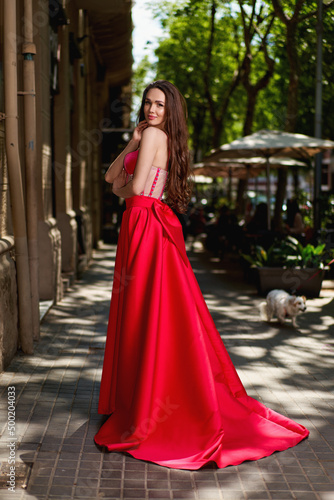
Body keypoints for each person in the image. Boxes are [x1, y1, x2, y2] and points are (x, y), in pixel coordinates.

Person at [94, 80, 309, 470]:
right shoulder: (149, 136)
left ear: (170, 110)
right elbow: (112, 178)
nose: (151, 110)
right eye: (147, 104)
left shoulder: (157, 136)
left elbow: (135, 188)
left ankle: (150, 405)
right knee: (147, 313)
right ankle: (144, 396)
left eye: (159, 105)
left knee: (147, 312)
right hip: (140, 225)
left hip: (144, 225)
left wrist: (124, 185)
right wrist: (131, 142)